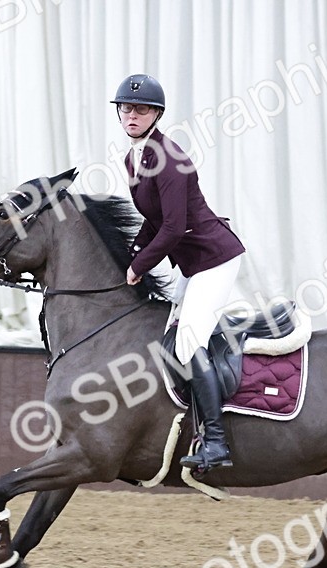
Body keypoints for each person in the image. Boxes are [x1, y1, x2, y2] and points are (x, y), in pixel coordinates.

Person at [112, 73, 246, 472]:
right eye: (126, 108)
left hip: (214, 258)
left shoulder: (169, 159)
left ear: (155, 114)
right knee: (172, 337)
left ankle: (217, 444)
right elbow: (152, 221)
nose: (132, 115)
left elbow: (172, 227)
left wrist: (139, 265)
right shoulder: (134, 157)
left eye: (140, 109)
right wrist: (131, 255)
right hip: (194, 262)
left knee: (188, 345)